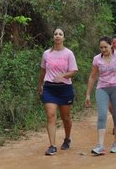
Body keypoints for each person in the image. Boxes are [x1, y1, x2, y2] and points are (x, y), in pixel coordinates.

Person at [38, 28, 78, 156]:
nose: (58, 36)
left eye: (60, 34)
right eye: (55, 34)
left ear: (63, 38)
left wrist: (63, 76)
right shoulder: (46, 54)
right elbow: (43, 71)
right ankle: (52, 145)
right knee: (51, 115)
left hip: (64, 88)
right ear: (53, 37)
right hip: (49, 87)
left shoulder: (68, 53)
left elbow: (74, 71)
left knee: (66, 118)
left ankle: (67, 138)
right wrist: (40, 85)